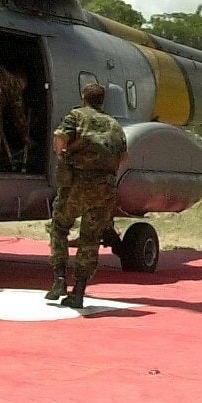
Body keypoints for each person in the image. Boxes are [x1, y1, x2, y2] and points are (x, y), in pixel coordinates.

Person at [46, 82, 128, 310]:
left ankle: (60, 279)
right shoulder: (114, 125)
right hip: (104, 189)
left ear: (84, 97)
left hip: (77, 185)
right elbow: (123, 158)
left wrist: (63, 156)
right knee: (90, 239)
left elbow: (60, 139)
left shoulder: (76, 116)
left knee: (60, 227)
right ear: (102, 101)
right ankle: (79, 292)